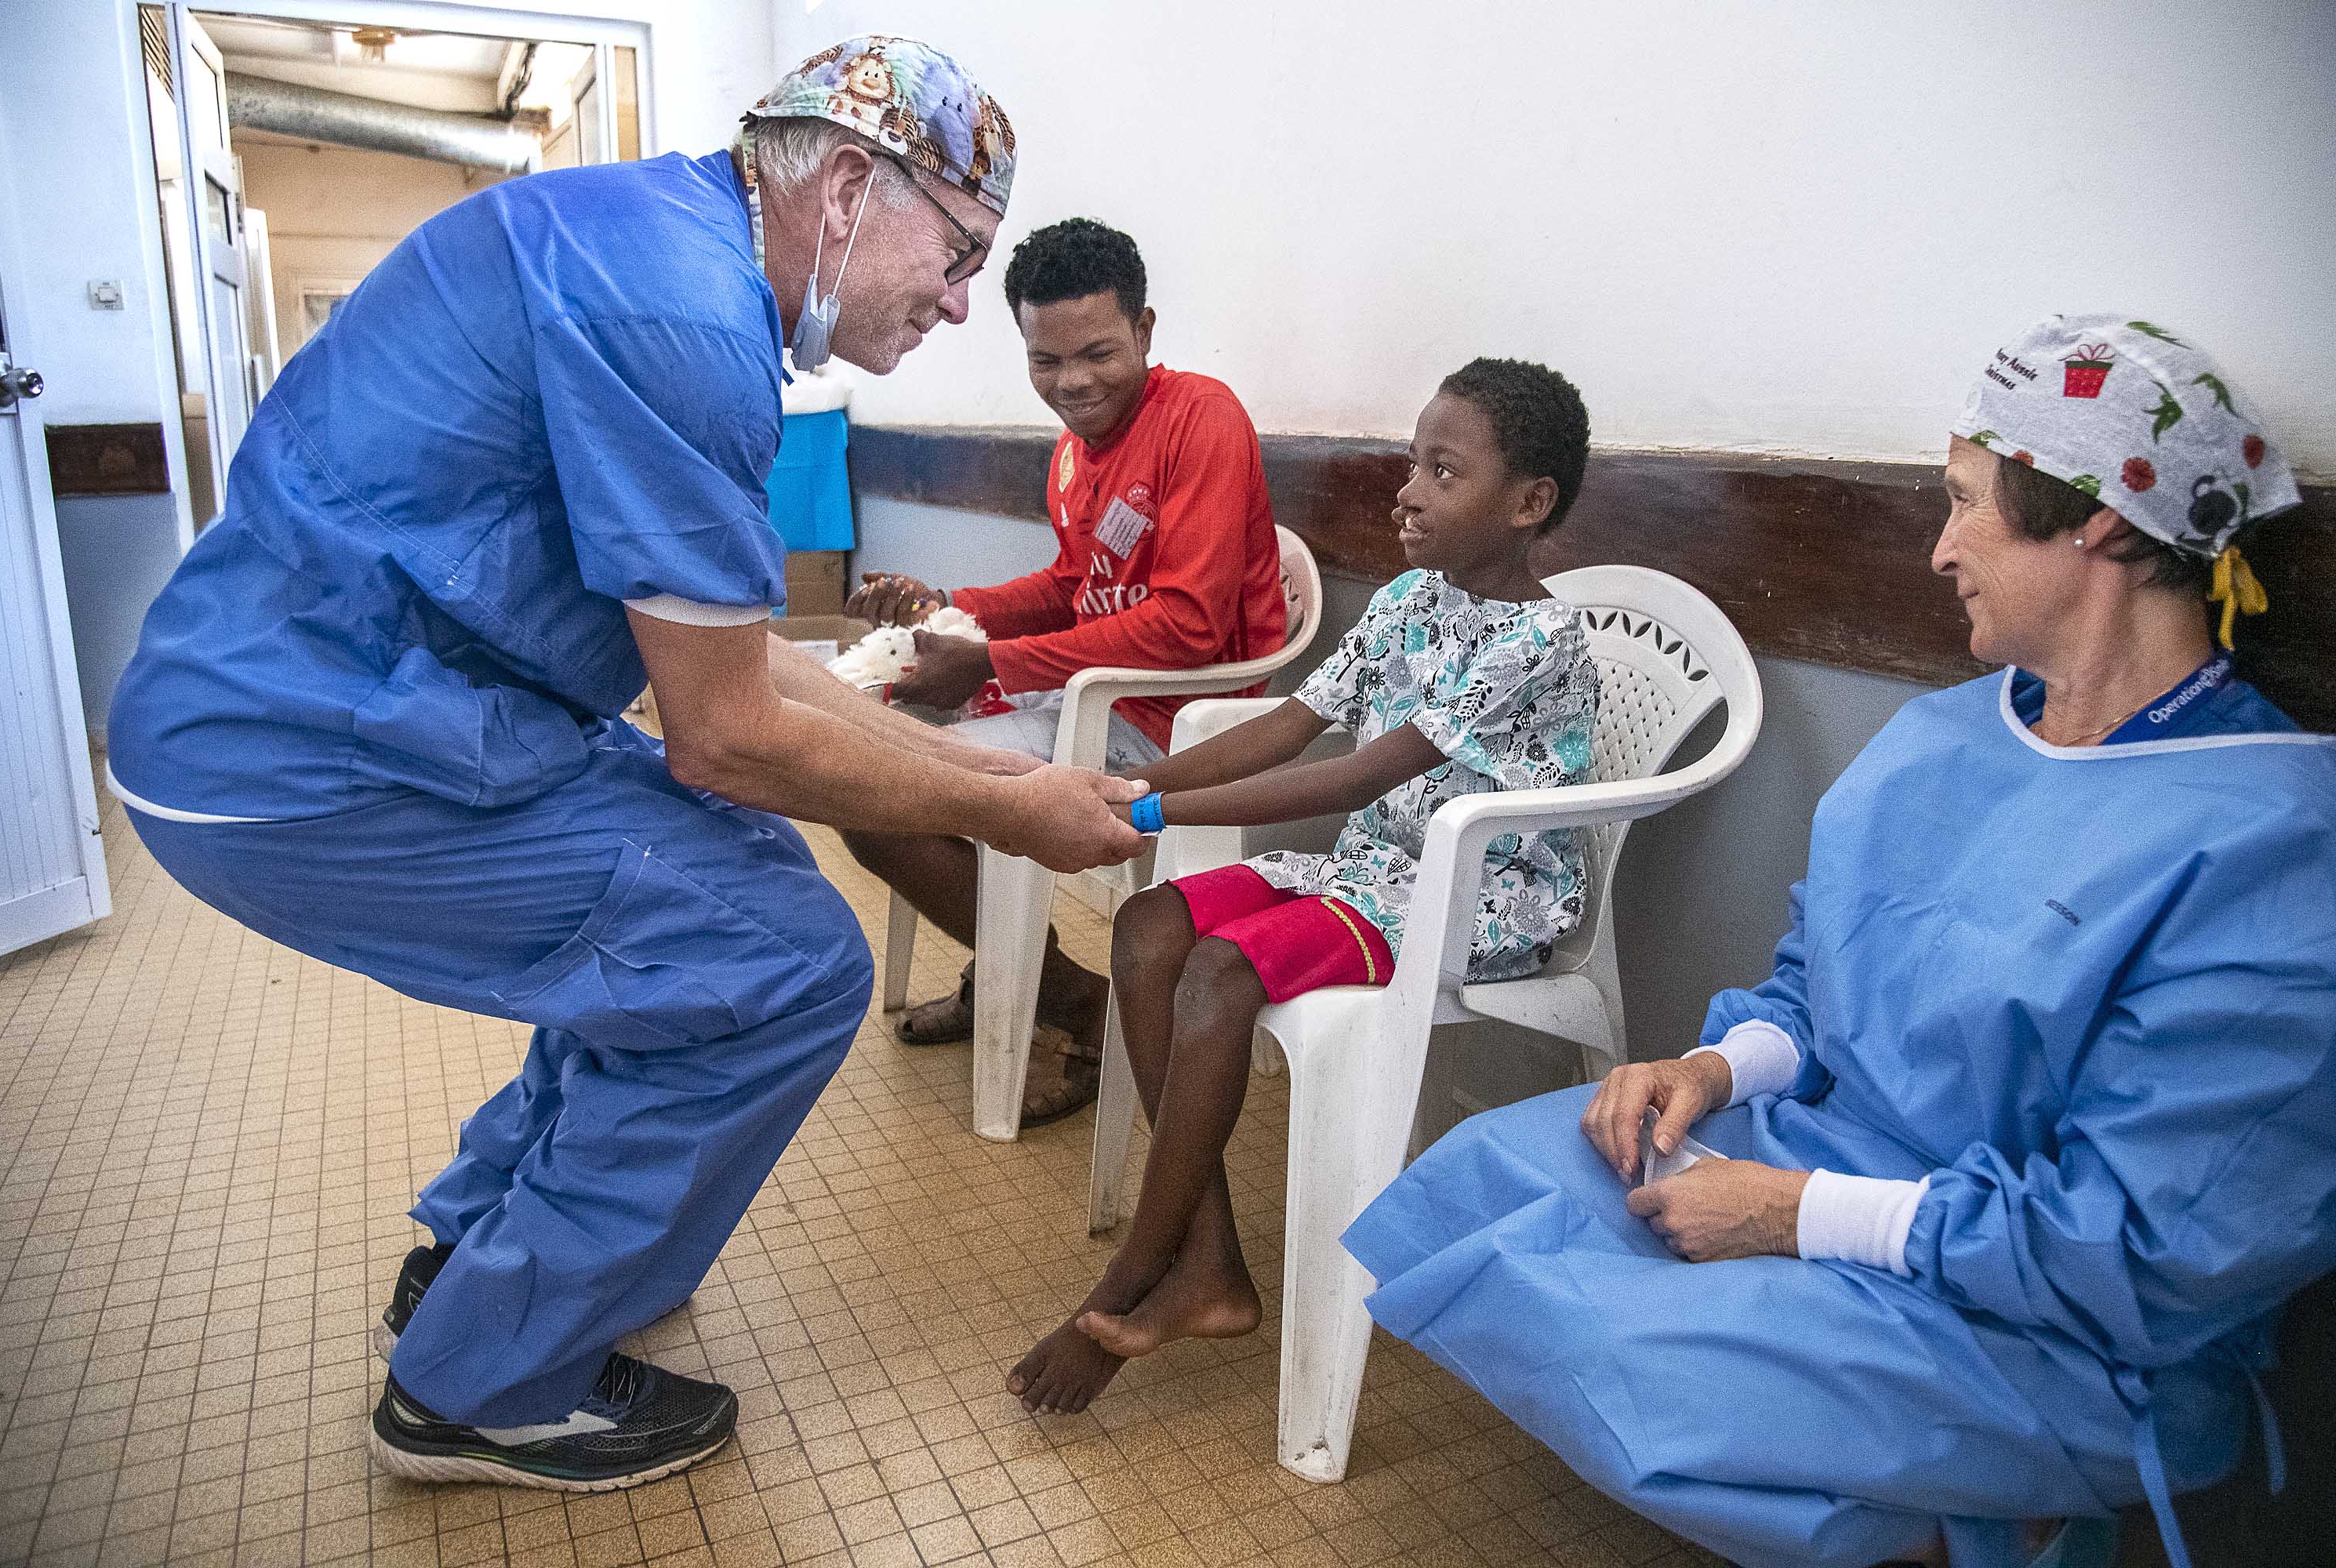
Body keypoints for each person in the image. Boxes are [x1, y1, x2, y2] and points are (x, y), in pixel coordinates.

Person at [104, 36, 1146, 1493]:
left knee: (709, 894)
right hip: (305, 753)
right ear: (850, 187)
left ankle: (484, 1255)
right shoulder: (684, 315)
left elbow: (744, 664)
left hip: (314, 698)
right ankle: (484, 1385)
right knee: (783, 960)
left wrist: (1005, 792)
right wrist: (1016, 812)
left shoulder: (656, 245)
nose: (964, 299)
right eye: (960, 251)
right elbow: (728, 735)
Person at [1342, 318, 2336, 1568]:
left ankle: (1995, 1520)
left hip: (2050, 1317)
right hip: (1831, 1153)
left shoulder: (2273, 838)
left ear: (2099, 524)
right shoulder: (1943, 741)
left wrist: (1798, 1215)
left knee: (1643, 1360)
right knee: (1482, 1182)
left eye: (1965, 503)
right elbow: (1819, 986)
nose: (1940, 548)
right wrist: (1716, 1071)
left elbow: (2147, 1246)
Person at [1008, 358, 1602, 1414]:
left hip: (1474, 897)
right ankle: (1208, 1263)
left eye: (1444, 472)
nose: (1408, 492)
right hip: (1372, 870)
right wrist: (1128, 784)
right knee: (1148, 925)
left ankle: (1131, 1278)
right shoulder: (1411, 600)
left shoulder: (1540, 642)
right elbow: (1290, 726)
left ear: (1529, 503)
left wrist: (1147, 817)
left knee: (1221, 971)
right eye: (1413, 463)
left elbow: (1357, 776)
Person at [841, 218, 1286, 1124]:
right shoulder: (1074, 452)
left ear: (1145, 330)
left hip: (1179, 727)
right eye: (1046, 361)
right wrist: (949, 603)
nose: (1073, 382)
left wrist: (992, 661)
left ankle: (1070, 1003)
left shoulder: (1201, 417)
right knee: (869, 751)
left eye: (1098, 353)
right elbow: (1071, 587)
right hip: (1090, 696)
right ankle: (1026, 974)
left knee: (879, 797)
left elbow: (1191, 625)